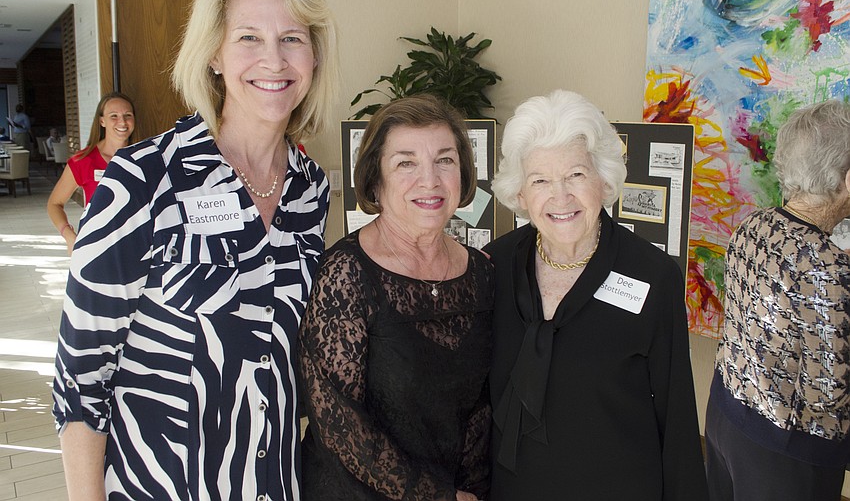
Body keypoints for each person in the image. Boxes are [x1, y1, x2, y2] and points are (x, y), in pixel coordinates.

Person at [52, 0, 339, 500]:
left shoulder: (310, 190)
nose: (273, 60)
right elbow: (81, 381)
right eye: (248, 37)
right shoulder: (142, 180)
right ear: (212, 52)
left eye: (293, 38)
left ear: (314, 56)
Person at [485, 90, 708, 500]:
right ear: (520, 194)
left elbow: (677, 418)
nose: (560, 196)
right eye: (540, 180)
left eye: (575, 175)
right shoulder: (493, 267)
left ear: (604, 180)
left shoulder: (653, 277)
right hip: (516, 488)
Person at [299, 95, 493, 501]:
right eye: (406, 162)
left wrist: (471, 489)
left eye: (445, 160)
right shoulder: (346, 273)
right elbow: (338, 422)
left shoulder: (483, 272)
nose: (431, 180)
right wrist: (436, 496)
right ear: (375, 180)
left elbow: (481, 405)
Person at [705, 100, 850, 501]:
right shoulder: (828, 268)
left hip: (724, 413)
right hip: (783, 453)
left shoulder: (753, 224)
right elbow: (828, 394)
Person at [46, 92, 135, 255]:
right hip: (96, 246)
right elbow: (54, 204)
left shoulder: (145, 157)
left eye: (127, 115)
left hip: (137, 246)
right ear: (102, 121)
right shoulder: (83, 160)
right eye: (113, 116)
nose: (122, 121)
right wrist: (69, 235)